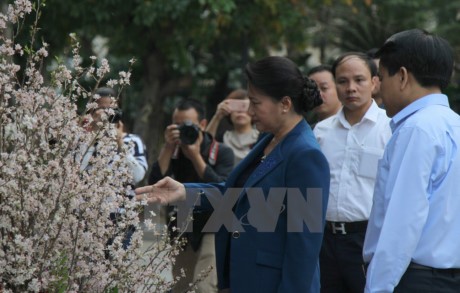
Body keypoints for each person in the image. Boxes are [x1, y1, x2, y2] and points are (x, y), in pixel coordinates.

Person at [137, 56, 330, 292]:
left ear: (285, 104)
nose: (249, 111)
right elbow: (235, 194)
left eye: (255, 103)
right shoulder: (270, 140)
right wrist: (184, 192)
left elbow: (304, 247)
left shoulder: (304, 155)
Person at [363, 29, 460, 292]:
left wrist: (378, 288)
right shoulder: (454, 124)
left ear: (403, 76)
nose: (378, 89)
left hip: (415, 279)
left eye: (381, 78)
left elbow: (402, 221)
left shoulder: (416, 129)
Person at [313, 52, 391, 292]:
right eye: (342, 81)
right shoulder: (321, 131)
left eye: (359, 80)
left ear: (375, 83)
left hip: (367, 239)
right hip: (324, 240)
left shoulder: (390, 128)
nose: (351, 88)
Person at [148, 98, 234, 293]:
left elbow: (223, 187)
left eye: (187, 124)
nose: (181, 130)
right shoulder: (173, 151)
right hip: (183, 222)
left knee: (205, 284)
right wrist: (168, 147)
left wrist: (195, 156)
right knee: (181, 283)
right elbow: (155, 182)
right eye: (176, 125)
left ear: (202, 125)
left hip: (215, 221)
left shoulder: (222, 152)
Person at [80, 87, 148, 249]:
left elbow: (138, 175)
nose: (106, 114)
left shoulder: (132, 141)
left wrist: (120, 144)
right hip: (86, 217)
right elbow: (77, 170)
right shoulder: (81, 141)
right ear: (91, 111)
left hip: (121, 218)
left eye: (112, 109)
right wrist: (92, 136)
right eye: (101, 109)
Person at [206, 89, 260, 166]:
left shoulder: (261, 138)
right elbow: (205, 145)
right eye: (236, 106)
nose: (240, 111)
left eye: (244, 106)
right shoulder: (223, 138)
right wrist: (217, 116)